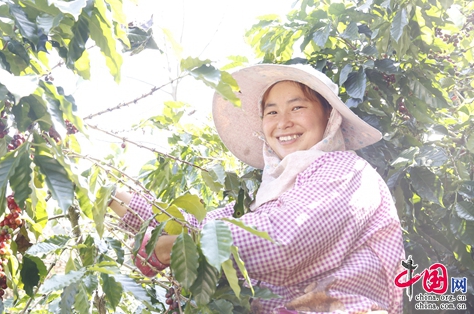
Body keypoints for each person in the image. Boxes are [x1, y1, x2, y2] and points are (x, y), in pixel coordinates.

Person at [109, 64, 405, 313]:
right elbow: (195, 226)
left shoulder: (345, 171)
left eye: (297, 107)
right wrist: (107, 194)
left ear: (330, 116)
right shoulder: (266, 197)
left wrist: (179, 248)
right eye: (272, 112)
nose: (283, 122)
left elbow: (286, 239)